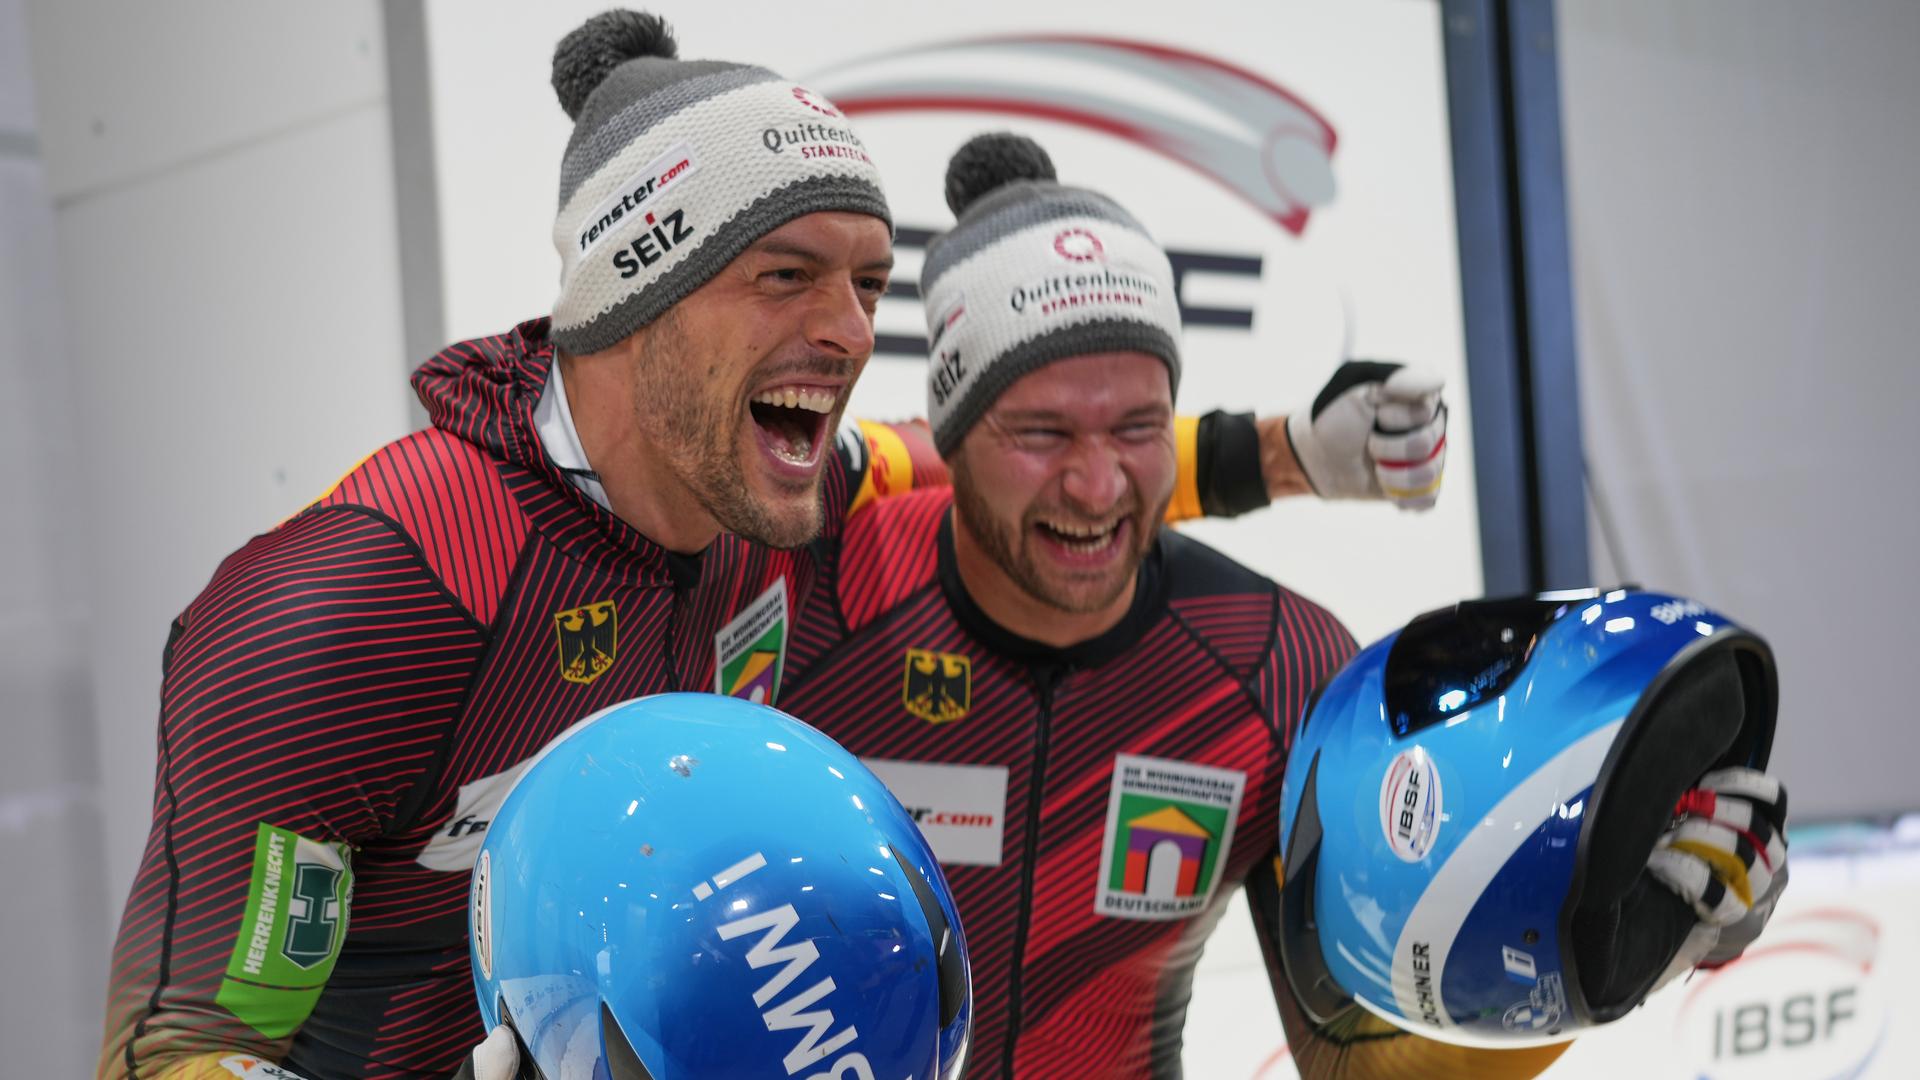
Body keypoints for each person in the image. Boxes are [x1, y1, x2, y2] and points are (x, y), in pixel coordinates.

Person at [95, 14, 1439, 1080]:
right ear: (638, 296)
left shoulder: (766, 496)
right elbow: (174, 1049)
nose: (851, 330)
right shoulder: (367, 598)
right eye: (787, 274)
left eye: (867, 280)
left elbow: (976, 449)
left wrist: (1283, 454)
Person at [762, 133, 1787, 1078]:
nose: (1097, 485)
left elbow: (1356, 1064)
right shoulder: (808, 588)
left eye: (1137, 427)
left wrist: (1613, 956)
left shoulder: (1274, 663)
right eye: (1040, 435)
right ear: (954, 435)